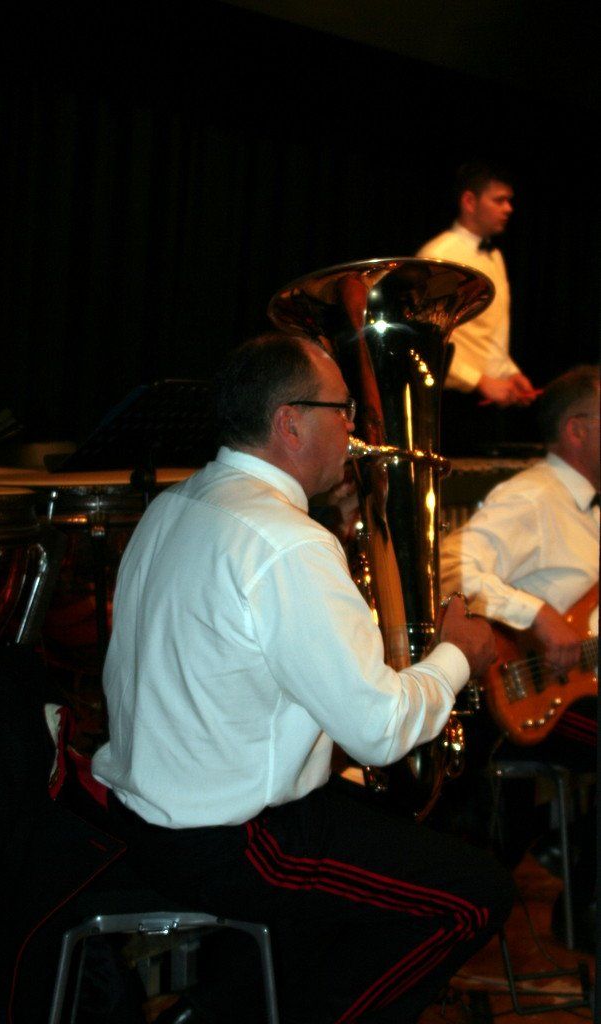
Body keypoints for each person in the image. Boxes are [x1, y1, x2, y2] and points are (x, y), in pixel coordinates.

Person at [92, 331, 514, 1024]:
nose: (355, 429)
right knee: (472, 896)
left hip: (144, 815)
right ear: (289, 422)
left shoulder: (174, 503)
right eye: (343, 410)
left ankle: (221, 1008)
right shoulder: (286, 542)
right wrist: (455, 656)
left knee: (383, 837)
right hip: (230, 841)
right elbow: (379, 732)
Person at [440, 363, 599, 950]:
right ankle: (587, 909)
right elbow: (450, 566)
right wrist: (534, 613)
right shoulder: (533, 496)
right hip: (526, 691)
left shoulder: (590, 509)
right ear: (576, 429)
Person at [417, 160, 539, 454]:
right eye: (499, 200)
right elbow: (425, 338)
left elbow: (491, 332)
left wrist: (508, 373)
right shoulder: (439, 256)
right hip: (448, 400)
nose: (508, 208)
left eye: (509, 200)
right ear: (469, 201)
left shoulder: (494, 255)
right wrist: (478, 381)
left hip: (486, 399)